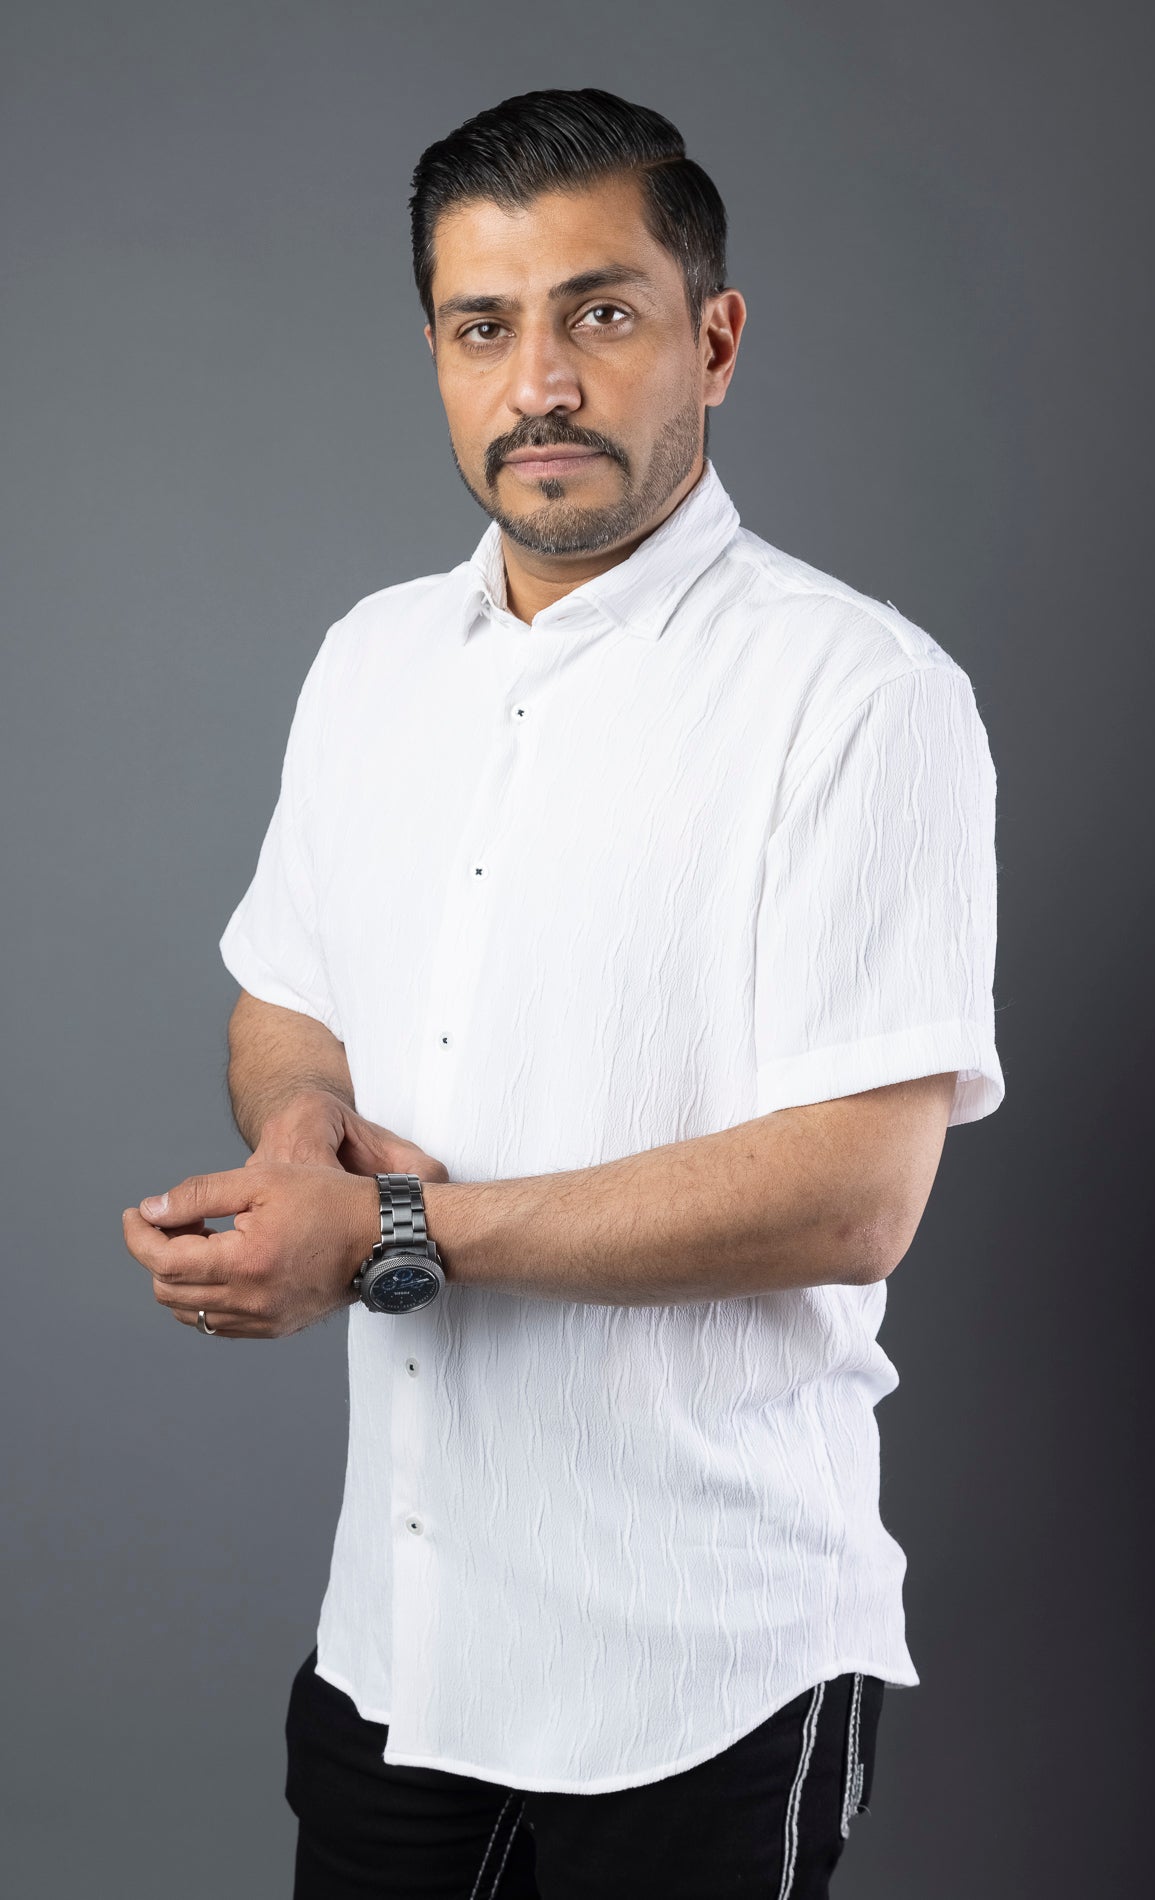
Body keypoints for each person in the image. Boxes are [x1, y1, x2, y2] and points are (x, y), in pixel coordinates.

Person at [122, 87, 1003, 1900]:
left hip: (706, 1677)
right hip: (396, 1655)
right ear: (438, 359)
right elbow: (284, 997)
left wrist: (391, 1233)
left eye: (600, 312)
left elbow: (854, 1192)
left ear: (715, 341)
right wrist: (301, 1137)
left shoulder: (859, 694)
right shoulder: (370, 661)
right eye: (483, 326)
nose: (540, 382)